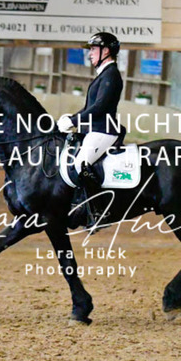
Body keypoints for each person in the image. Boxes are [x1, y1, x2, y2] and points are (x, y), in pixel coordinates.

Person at [56, 32, 123, 226]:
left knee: (80, 165)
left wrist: (74, 120)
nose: (90, 54)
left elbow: (99, 107)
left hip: (103, 131)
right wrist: (71, 119)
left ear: (106, 51)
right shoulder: (104, 74)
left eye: (93, 49)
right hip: (94, 129)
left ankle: (98, 211)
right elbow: (89, 108)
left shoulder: (111, 75)